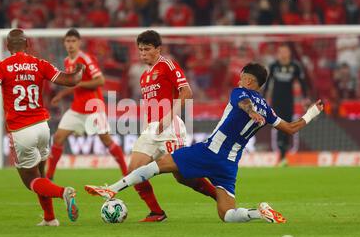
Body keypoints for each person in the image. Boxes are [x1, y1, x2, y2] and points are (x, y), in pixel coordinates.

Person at [85, 63, 324, 224]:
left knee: (159, 165)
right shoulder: (268, 109)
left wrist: (250, 112)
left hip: (210, 151)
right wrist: (312, 113)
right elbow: (292, 128)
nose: (239, 79)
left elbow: (243, 104)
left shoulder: (240, 93)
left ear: (249, 81)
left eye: (243, 76)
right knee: (226, 213)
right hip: (230, 164)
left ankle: (112, 188)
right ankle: (258, 213)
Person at [0, 29, 84, 227]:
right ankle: (50, 218)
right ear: (27, 44)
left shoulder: (2, 66)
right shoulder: (40, 64)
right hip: (43, 127)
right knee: (41, 175)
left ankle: (64, 192)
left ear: (7, 46)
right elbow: (70, 80)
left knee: (31, 181)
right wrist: (79, 69)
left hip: (21, 130)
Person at [110, 30, 217, 222]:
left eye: (147, 49)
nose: (143, 53)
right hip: (151, 129)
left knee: (183, 175)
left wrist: (169, 117)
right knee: (133, 170)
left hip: (170, 127)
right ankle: (156, 212)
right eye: (140, 50)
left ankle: (220, 196)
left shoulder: (167, 65)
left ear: (158, 49)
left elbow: (186, 92)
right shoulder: (144, 76)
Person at [45, 28, 128, 180]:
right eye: (68, 41)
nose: (70, 44)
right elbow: (74, 84)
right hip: (77, 108)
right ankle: (49, 176)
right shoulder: (66, 61)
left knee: (106, 139)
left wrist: (74, 86)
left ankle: (126, 172)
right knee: (58, 138)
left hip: (94, 108)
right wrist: (62, 94)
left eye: (73, 41)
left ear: (79, 43)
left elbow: (100, 80)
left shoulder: (85, 58)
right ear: (64, 43)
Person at [263, 44, 309, 166]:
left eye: (285, 51)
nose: (283, 54)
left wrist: (305, 98)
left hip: (289, 101)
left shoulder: (295, 66)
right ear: (278, 53)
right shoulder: (274, 66)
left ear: (289, 53)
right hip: (276, 101)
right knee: (279, 125)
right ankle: (282, 155)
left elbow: (302, 82)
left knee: (288, 126)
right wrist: (263, 98)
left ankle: (284, 155)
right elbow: (267, 84)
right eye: (281, 51)